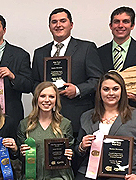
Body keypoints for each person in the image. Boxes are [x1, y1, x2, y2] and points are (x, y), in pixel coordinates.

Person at [32, 7, 103, 138]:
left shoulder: (86, 48)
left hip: (76, 116)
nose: (58, 25)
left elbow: (98, 79)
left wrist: (77, 90)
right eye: (54, 22)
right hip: (47, 118)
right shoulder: (39, 53)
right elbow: (35, 82)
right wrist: (44, 93)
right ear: (49, 26)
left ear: (71, 25)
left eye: (62, 21)